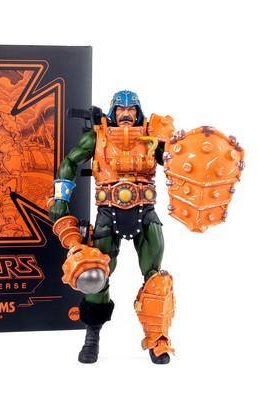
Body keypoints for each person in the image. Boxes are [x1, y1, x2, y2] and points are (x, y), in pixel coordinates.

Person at [49, 90, 175, 364]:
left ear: (139, 112)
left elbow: (176, 161)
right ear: (112, 112)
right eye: (120, 109)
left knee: (155, 278)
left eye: (131, 109)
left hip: (145, 212)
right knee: (95, 275)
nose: (126, 114)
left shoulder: (152, 137)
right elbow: (69, 162)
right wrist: (60, 198)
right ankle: (92, 336)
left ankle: (158, 339)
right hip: (108, 212)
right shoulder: (97, 137)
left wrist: (180, 147)